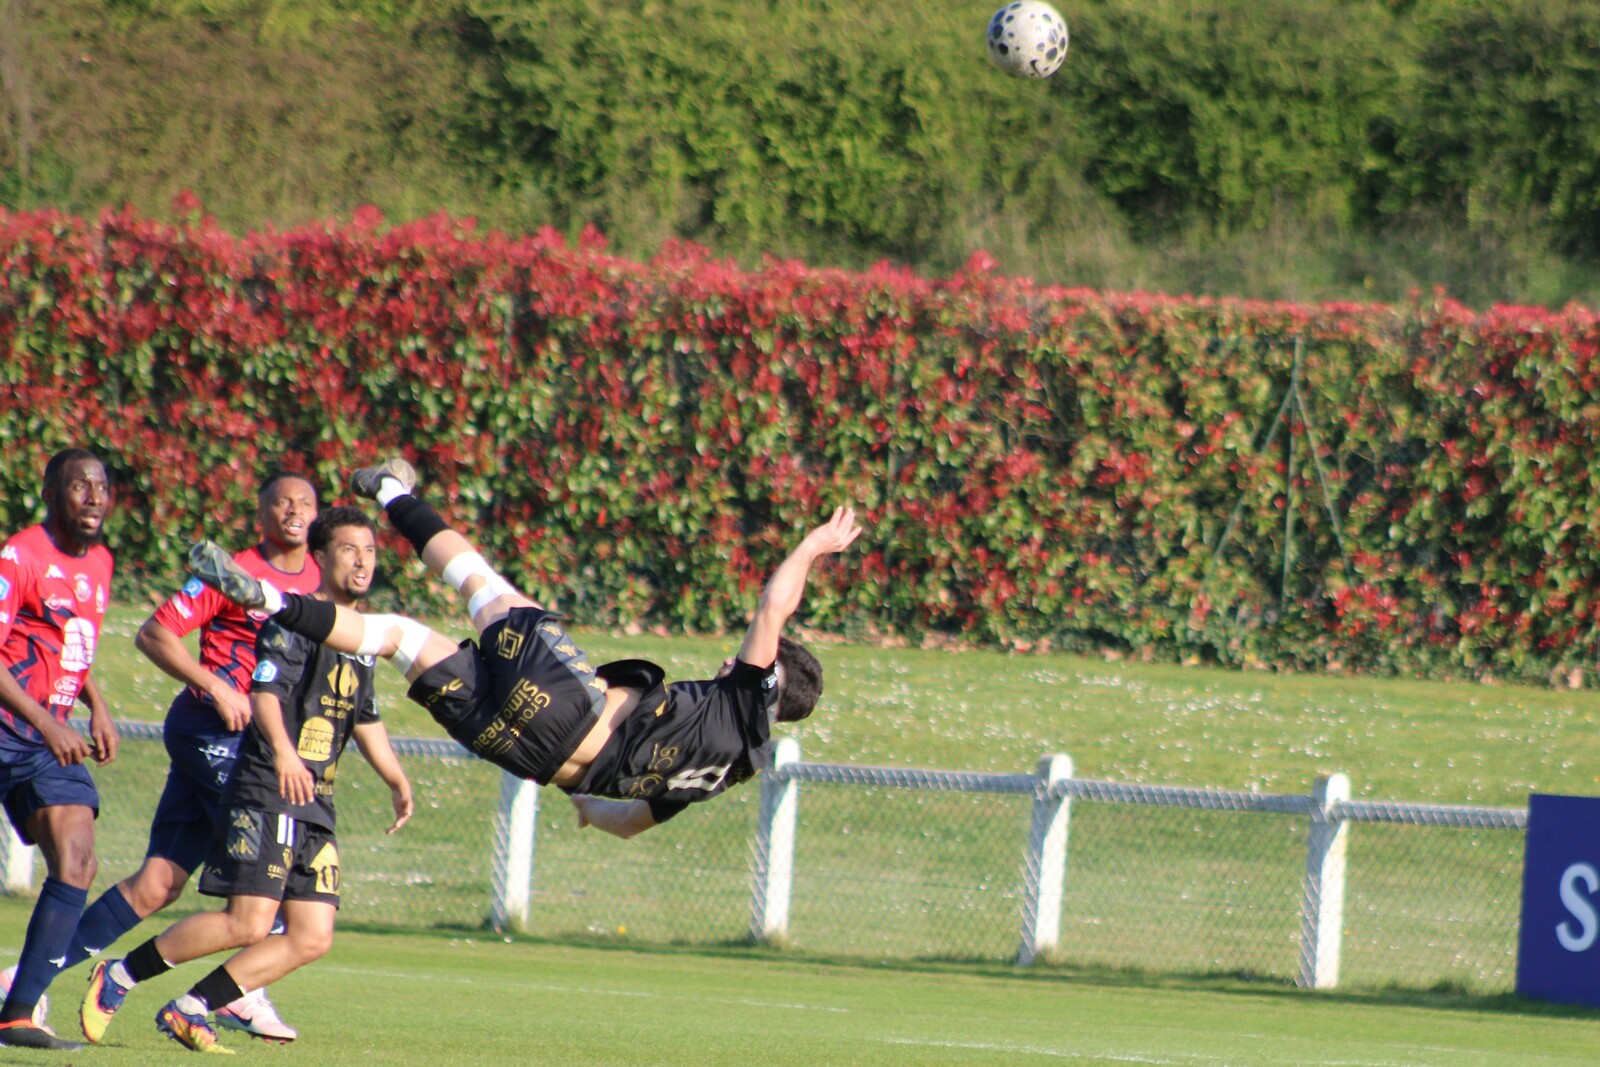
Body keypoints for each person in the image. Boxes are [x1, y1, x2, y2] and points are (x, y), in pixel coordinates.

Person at [185, 458, 860, 837]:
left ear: (771, 680)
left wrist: (813, 545)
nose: (732, 661)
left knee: (486, 587)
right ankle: (269, 599)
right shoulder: (731, 768)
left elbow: (774, 605)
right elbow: (628, 823)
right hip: (530, 758)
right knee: (395, 636)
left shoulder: (743, 698)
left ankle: (390, 491)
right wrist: (588, 806)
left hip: (567, 704)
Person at [80, 506, 413, 1053]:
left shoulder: (364, 636)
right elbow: (264, 692)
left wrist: (396, 779)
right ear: (321, 557)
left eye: (371, 551)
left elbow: (366, 715)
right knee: (248, 923)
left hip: (316, 801)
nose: (362, 561)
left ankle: (192, 1006)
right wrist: (283, 753)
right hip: (269, 790)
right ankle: (119, 975)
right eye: (349, 550)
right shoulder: (295, 620)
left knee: (311, 935)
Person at [61, 472, 320, 1044]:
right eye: (282, 502)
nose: (294, 511)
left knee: (157, 884)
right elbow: (154, 634)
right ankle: (239, 994)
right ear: (262, 514)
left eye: (305, 502)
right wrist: (217, 686)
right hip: (213, 734)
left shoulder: (321, 581)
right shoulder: (234, 571)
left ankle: (29, 976)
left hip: (259, 746)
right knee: (270, 875)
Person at [0, 448, 119, 1050]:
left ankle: (16, 1017)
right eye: (80, 486)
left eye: (101, 487)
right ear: (51, 495)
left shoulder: (101, 561)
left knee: (78, 861)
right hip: (14, 727)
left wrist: (96, 703)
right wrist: (50, 724)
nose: (95, 497)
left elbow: (73, 637)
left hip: (46, 740)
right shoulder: (20, 556)